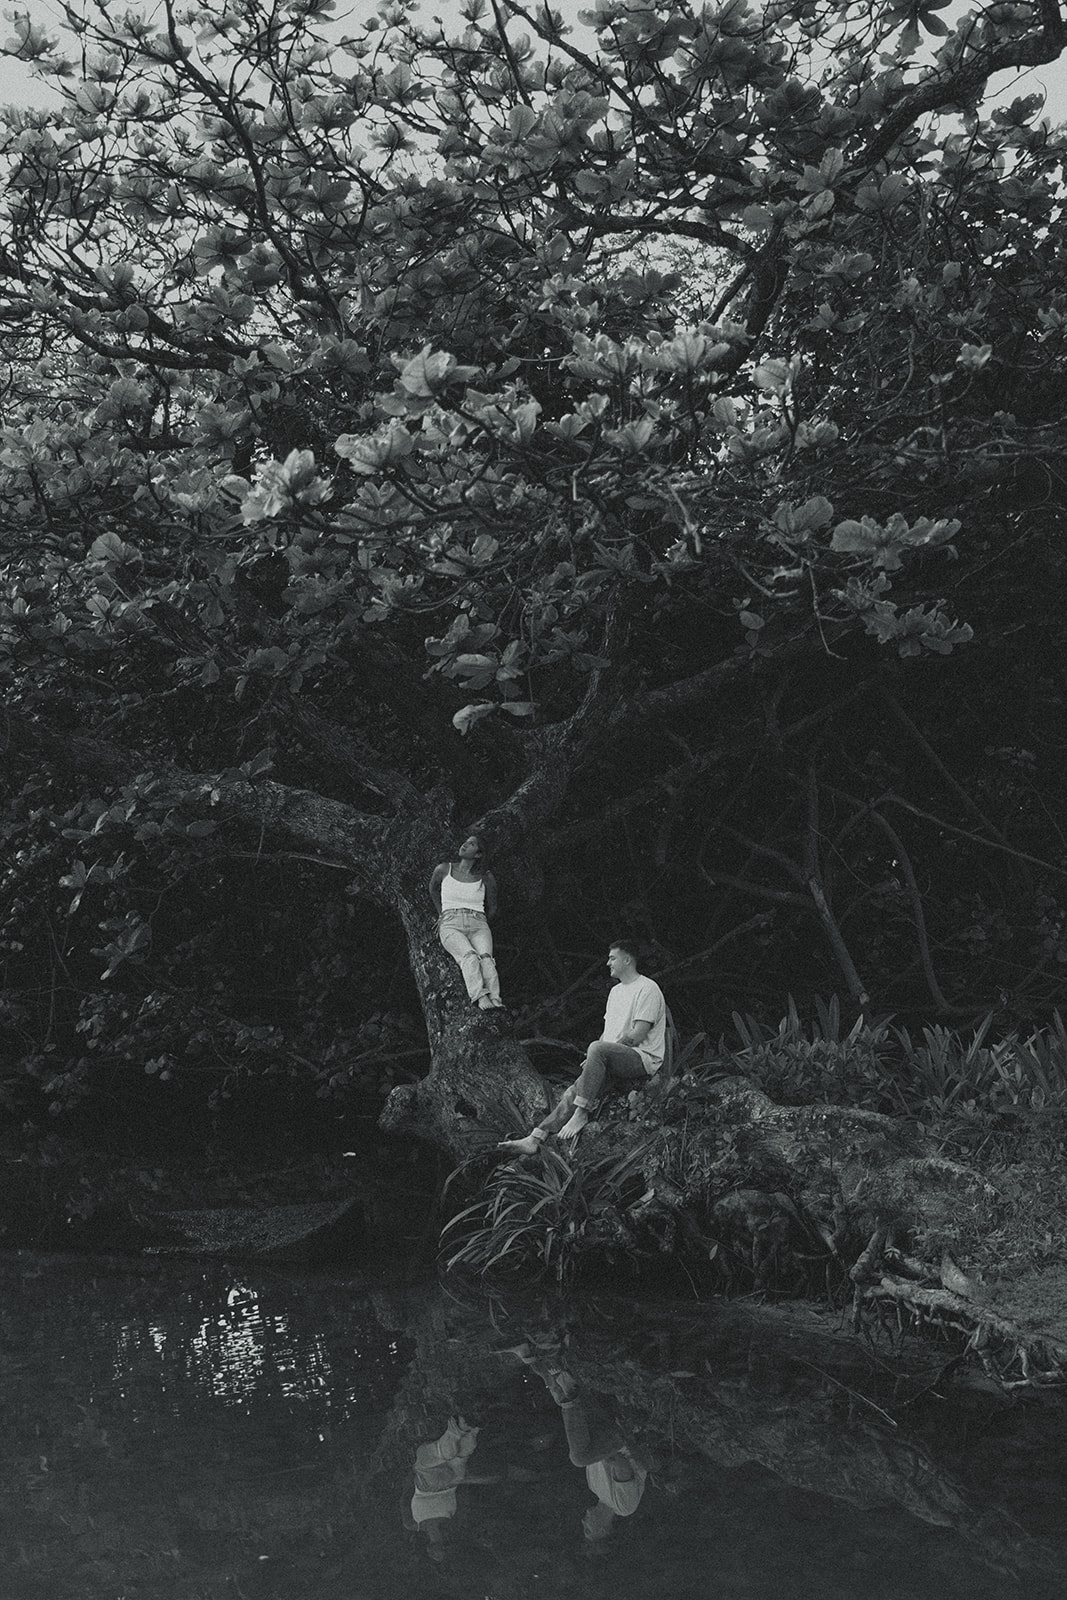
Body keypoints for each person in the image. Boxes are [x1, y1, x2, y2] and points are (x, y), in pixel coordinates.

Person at [499, 939, 665, 1153]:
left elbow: (638, 1034)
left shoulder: (647, 988)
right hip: (613, 1055)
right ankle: (535, 1137)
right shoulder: (615, 993)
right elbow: (608, 1033)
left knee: (596, 1049)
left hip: (642, 1058)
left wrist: (601, 1051)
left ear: (627, 959)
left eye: (612, 958)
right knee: (572, 1091)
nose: (608, 963)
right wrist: (597, 1056)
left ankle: (582, 1113)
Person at [507, 1345, 647, 1544]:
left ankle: (530, 1358)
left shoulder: (595, 1489)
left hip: (606, 1440)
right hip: (626, 1442)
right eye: (589, 1529)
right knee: (579, 1458)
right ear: (604, 1530)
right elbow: (622, 1464)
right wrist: (603, 1455)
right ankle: (566, 1392)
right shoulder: (624, 1507)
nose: (583, 1522)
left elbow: (594, 1449)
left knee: (566, 1410)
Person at [430, 833, 505, 1012]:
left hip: (478, 923)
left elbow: (493, 907)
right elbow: (433, 889)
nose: (465, 845)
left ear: (478, 854)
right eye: (465, 842)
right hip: (451, 923)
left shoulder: (485, 877)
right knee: (470, 957)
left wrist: (481, 921)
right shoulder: (443, 869)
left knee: (486, 960)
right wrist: (442, 914)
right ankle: (480, 996)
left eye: (471, 844)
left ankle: (495, 998)